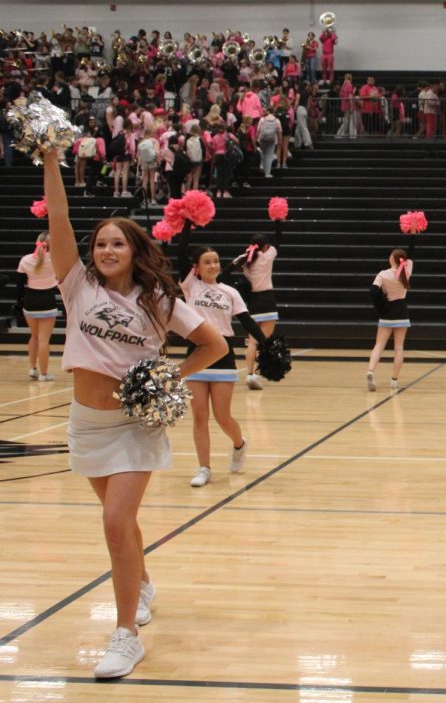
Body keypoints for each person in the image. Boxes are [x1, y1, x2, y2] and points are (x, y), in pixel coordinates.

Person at [40, 148, 226, 678]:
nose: (105, 249)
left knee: (116, 522)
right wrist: (52, 159)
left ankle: (125, 636)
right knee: (123, 525)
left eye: (116, 242)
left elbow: (213, 345)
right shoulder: (77, 287)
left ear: (133, 249)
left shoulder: (157, 300)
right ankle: (141, 583)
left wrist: (168, 377)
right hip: (86, 425)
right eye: (99, 243)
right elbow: (59, 218)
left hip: (134, 425)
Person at [180, 246, 270, 487]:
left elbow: (246, 321)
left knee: (222, 416)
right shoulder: (190, 286)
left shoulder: (229, 292)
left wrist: (266, 344)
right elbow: (180, 253)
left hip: (223, 354)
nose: (212, 266)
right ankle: (203, 468)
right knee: (200, 416)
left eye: (216, 261)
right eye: (206, 262)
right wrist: (186, 221)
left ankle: (239, 443)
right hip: (197, 352)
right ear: (196, 267)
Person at [233, 229, 281, 390]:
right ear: (265, 246)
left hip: (253, 302)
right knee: (265, 341)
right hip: (267, 300)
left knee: (252, 341)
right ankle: (259, 373)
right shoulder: (268, 255)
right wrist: (278, 221)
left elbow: (234, 264)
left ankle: (250, 374)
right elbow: (277, 242)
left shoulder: (247, 259)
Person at [366, 248, 412, 392]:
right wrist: (413, 232)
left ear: (391, 259)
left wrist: (380, 306)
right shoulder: (406, 272)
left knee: (379, 345)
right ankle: (394, 380)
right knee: (399, 347)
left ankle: (370, 371)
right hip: (402, 312)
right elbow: (409, 258)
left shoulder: (383, 274)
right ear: (403, 261)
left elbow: (373, 291)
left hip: (387, 311)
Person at [16, 232, 59, 381]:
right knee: (44, 339)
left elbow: (19, 286)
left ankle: (32, 369)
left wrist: (19, 303)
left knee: (34, 336)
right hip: (47, 301)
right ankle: (44, 374)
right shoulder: (55, 259)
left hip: (30, 302)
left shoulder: (26, 260)